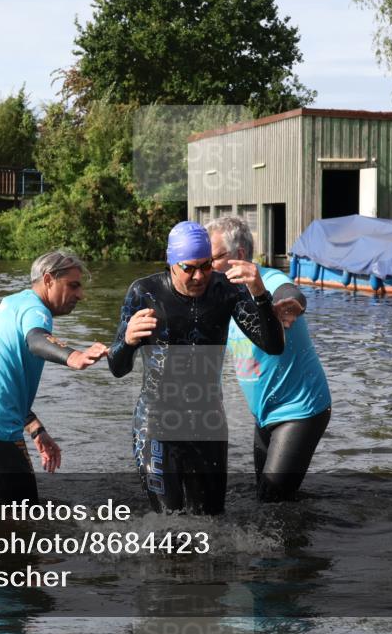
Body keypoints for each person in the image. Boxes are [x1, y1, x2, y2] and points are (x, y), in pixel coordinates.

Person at [108, 221, 284, 515]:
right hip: (156, 421)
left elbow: (274, 345)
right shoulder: (144, 293)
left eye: (205, 266)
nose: (199, 276)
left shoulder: (225, 291)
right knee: (169, 523)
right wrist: (126, 342)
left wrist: (259, 292)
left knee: (212, 524)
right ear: (171, 263)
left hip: (208, 421)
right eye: (189, 268)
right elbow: (117, 367)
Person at [0, 250, 109, 505]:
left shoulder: (10, 305)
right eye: (73, 285)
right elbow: (36, 340)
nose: (80, 295)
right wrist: (72, 356)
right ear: (49, 279)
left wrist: (36, 429)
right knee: (25, 523)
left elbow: (1, 381)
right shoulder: (36, 310)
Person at [206, 217, 332, 502]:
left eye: (211, 259)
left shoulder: (271, 281)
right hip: (263, 415)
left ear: (238, 256)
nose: (205, 267)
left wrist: (293, 304)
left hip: (299, 410)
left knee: (273, 498)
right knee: (266, 499)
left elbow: (291, 292)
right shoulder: (223, 294)